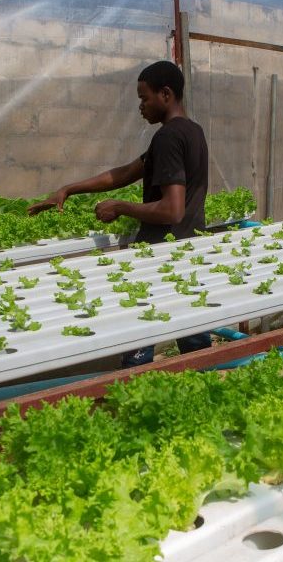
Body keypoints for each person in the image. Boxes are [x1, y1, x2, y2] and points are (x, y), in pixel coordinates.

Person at [28, 60, 212, 365]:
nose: (140, 106)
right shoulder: (192, 132)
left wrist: (121, 207)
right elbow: (126, 172)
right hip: (188, 251)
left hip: (160, 257)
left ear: (165, 94)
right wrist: (68, 189)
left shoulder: (167, 138)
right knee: (194, 340)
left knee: (139, 342)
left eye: (144, 98)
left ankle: (133, 398)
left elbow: (172, 209)